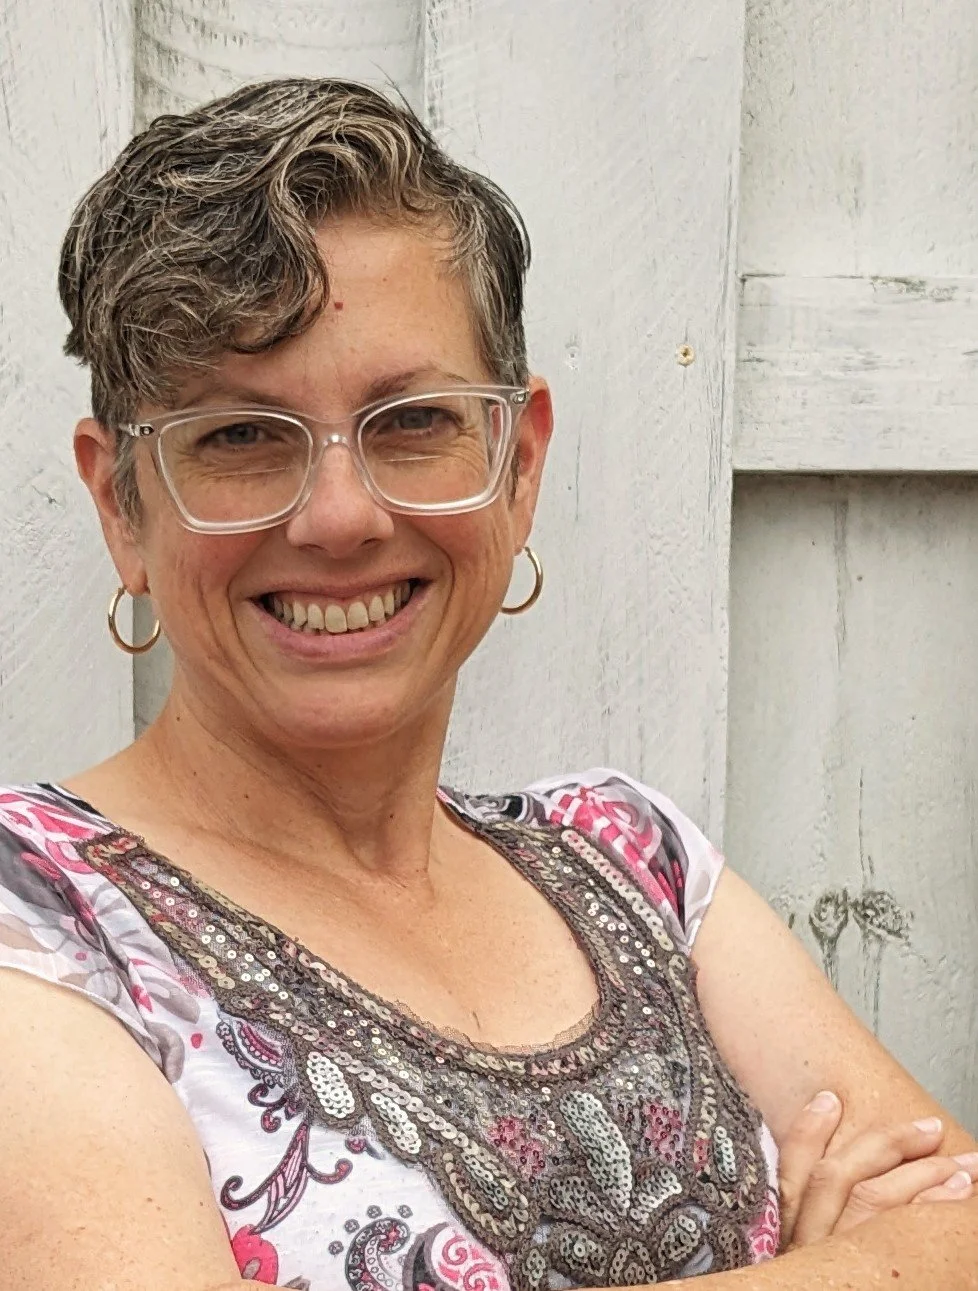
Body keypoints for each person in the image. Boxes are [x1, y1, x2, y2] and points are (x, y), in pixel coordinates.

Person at [0, 78, 975, 1291]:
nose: (340, 517)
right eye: (239, 436)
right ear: (121, 505)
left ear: (518, 465)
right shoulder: (42, 922)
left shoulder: (635, 865)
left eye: (413, 420)